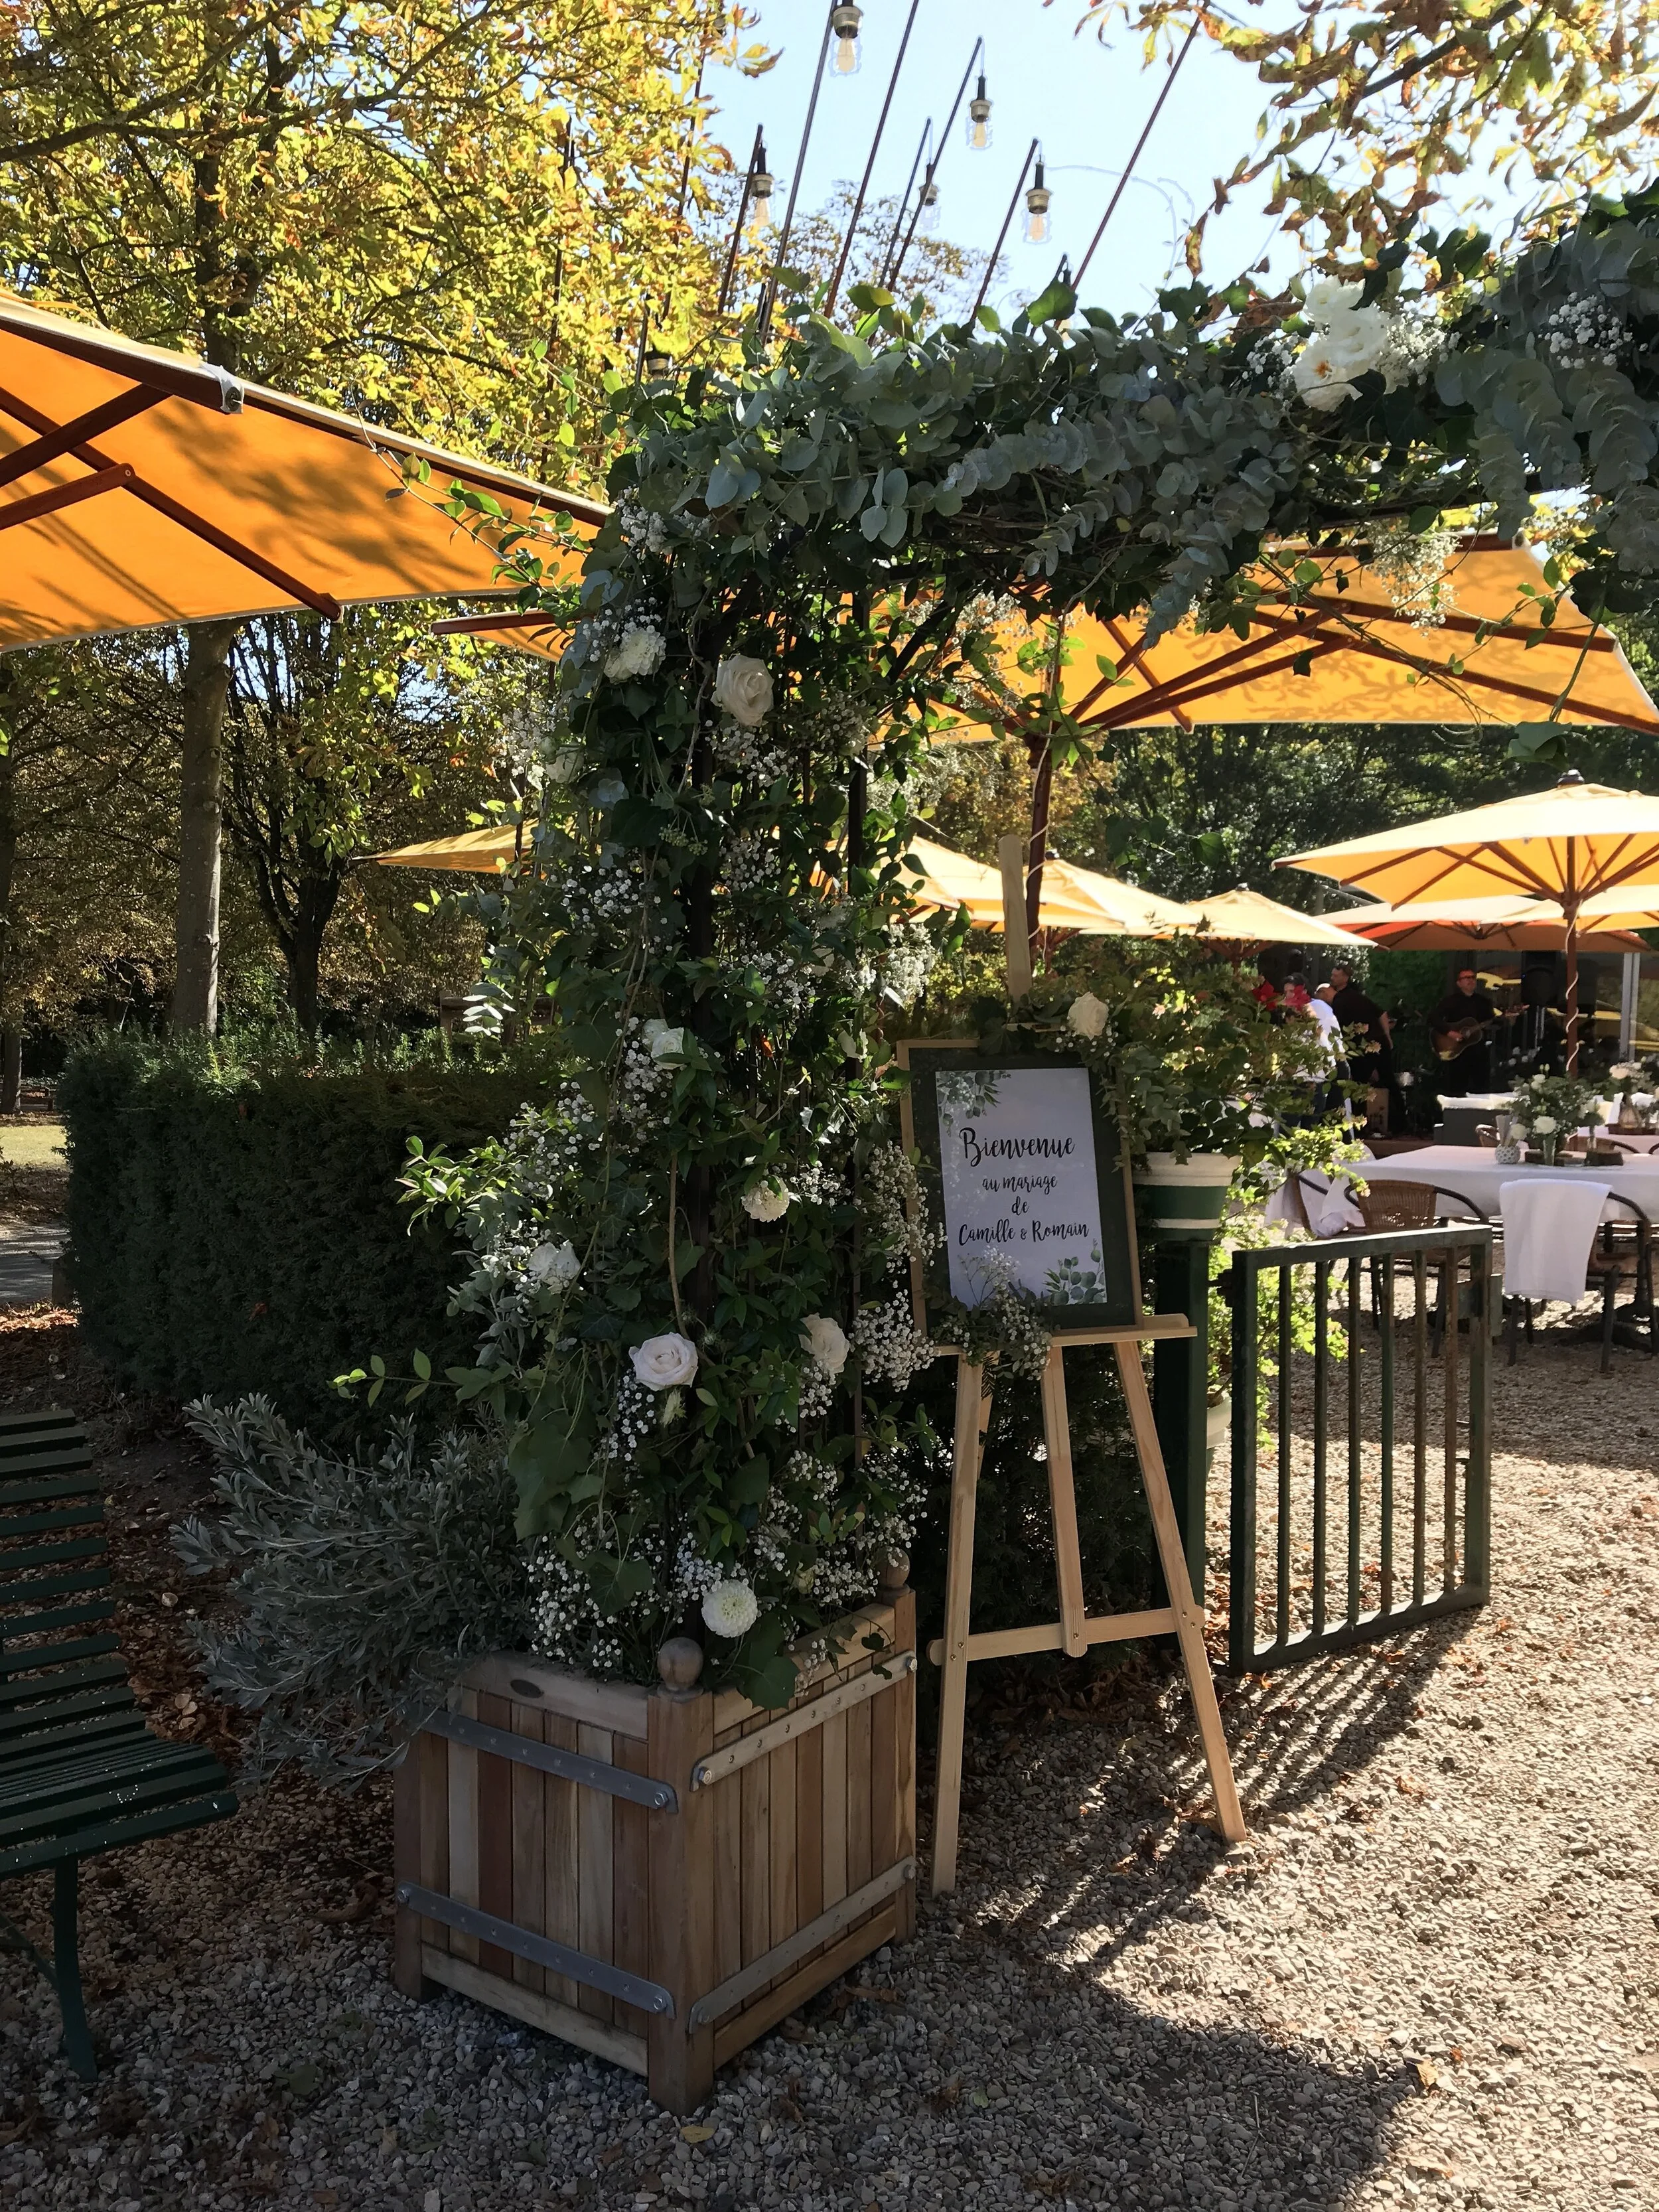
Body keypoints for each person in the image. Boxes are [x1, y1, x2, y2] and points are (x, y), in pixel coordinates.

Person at [1431, 962, 1499, 1094]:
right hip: (1457, 1051)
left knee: (1481, 1088)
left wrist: (1506, 1019)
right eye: (1467, 978)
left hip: (1478, 1051)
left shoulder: (1484, 1002)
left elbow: (1492, 1022)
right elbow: (1434, 1018)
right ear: (1459, 983)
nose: (1471, 980)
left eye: (1473, 977)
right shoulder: (1450, 1001)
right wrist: (1450, 1033)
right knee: (1457, 1088)